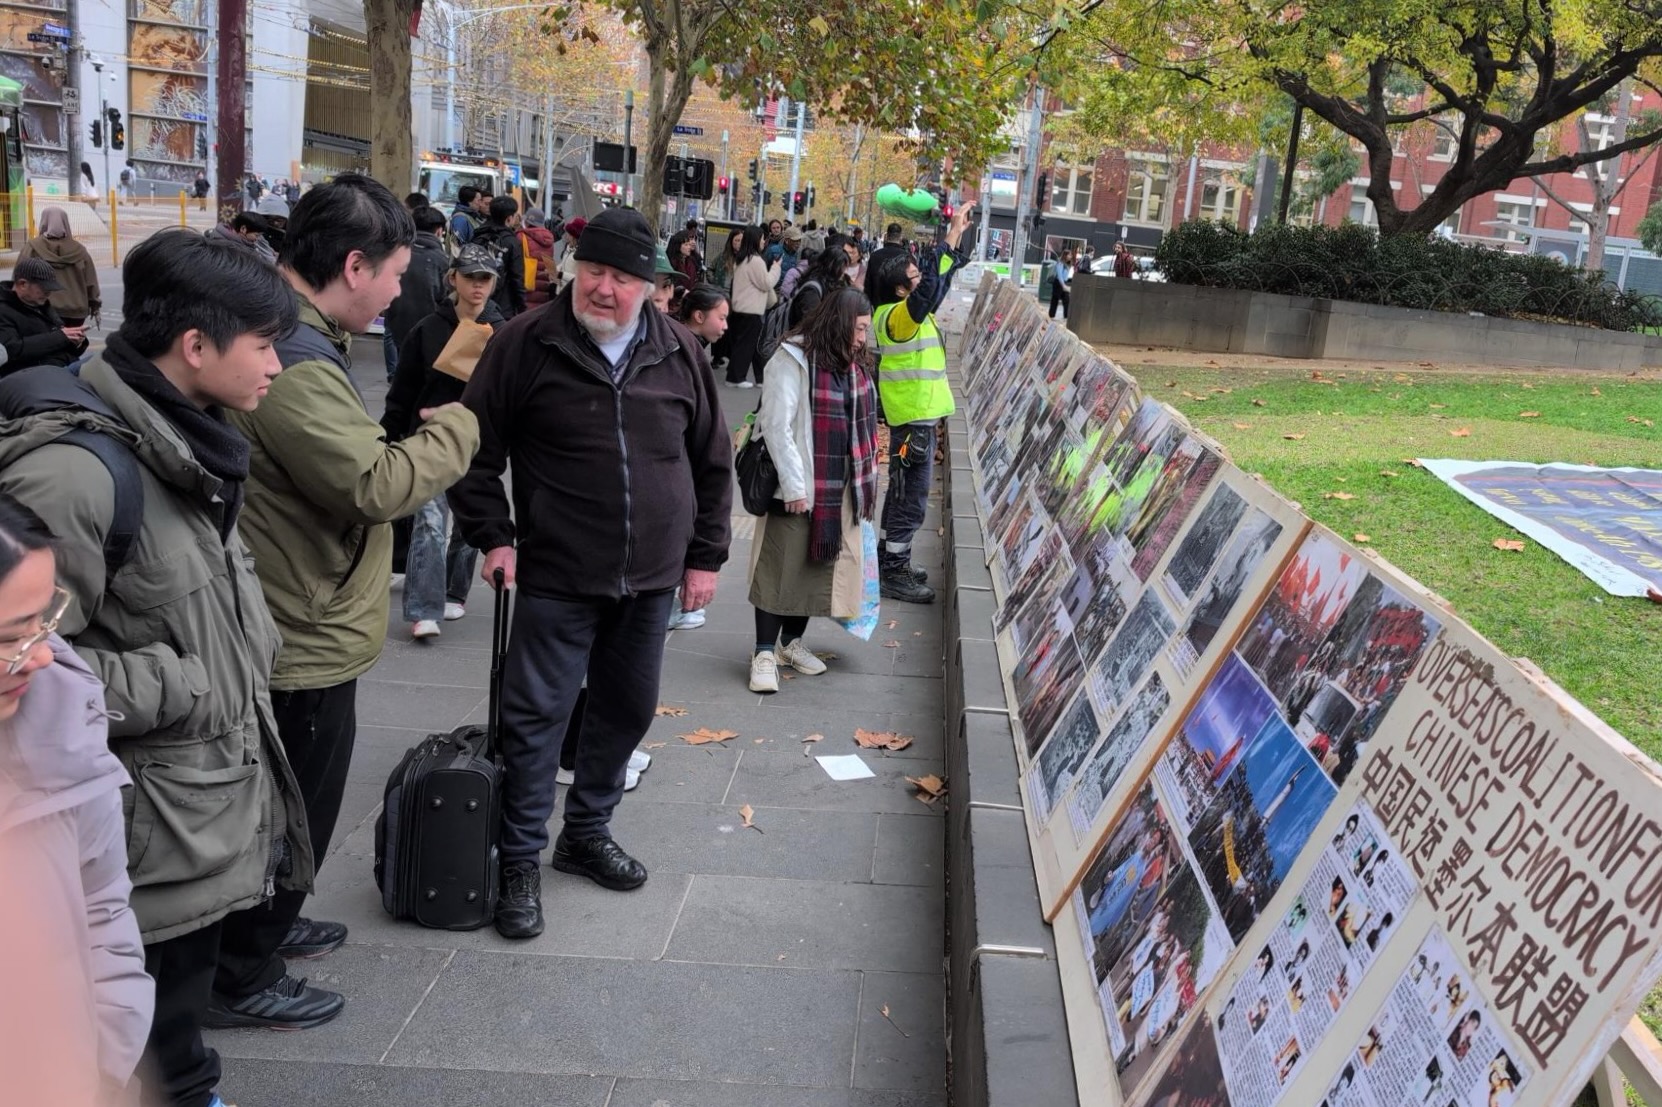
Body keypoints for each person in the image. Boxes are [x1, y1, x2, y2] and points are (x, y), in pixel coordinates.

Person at [0, 229, 313, 1107]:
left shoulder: (187, 439)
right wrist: (186, 682)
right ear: (196, 346)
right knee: (149, 1056)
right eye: (265, 345)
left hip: (193, 811)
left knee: (172, 1043)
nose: (276, 367)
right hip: (144, 833)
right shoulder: (80, 474)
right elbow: (27, 671)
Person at [214, 174, 480, 1029]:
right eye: (397, 273)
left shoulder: (297, 337)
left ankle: (265, 925)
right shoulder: (293, 357)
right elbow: (374, 483)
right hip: (300, 626)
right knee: (295, 806)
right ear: (355, 265)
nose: (403, 291)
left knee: (288, 806)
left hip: (303, 607)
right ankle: (240, 970)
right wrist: (460, 424)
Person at [449, 206, 733, 940]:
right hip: (556, 572)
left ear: (651, 287)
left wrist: (704, 555)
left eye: (623, 278)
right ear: (576, 269)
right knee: (535, 719)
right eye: (595, 271)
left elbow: (711, 460)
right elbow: (471, 450)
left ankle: (585, 832)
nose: (605, 288)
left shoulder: (678, 351)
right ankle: (519, 857)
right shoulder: (525, 342)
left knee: (626, 709)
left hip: (652, 578)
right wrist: (493, 537)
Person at [0, 495, 153, 1107]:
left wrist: (107, 1064)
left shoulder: (61, 725)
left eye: (45, 619)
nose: (41, 653)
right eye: (11, 635)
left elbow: (104, 911)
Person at [746, 287, 880, 693]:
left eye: (866, 330)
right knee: (779, 567)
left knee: (814, 569)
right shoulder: (791, 359)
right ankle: (763, 654)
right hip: (798, 486)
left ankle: (790, 644)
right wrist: (794, 486)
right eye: (858, 329)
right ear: (839, 324)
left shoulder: (851, 363)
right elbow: (777, 426)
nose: (862, 338)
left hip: (837, 487)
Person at [382, 244, 502, 639]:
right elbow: (404, 387)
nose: (478, 286)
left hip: (478, 441)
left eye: (485, 278)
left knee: (467, 525)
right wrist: (390, 432)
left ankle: (454, 591)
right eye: (470, 277)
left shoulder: (503, 333)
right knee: (430, 522)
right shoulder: (427, 329)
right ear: (453, 278)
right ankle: (423, 608)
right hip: (429, 439)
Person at [871, 201, 975, 604]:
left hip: (915, 421)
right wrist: (946, 242)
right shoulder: (897, 317)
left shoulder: (901, 312)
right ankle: (894, 571)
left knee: (901, 494)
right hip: (912, 424)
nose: (921, 281)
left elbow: (936, 286)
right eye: (914, 277)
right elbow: (930, 289)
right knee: (909, 501)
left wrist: (954, 237)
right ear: (901, 289)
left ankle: (889, 560)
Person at [666, 282, 732, 633]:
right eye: (721, 317)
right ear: (698, 316)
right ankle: (672, 608)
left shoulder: (692, 348)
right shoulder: (685, 349)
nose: (725, 326)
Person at [383, 205, 451, 383]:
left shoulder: (396, 252)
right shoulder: (440, 260)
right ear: (439, 231)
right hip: (429, 327)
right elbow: (445, 295)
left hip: (397, 321)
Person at [0, 256, 88, 372]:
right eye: (44, 288)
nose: (48, 293)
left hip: (60, 366)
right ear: (23, 284)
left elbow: (59, 341)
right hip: (35, 374)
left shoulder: (41, 304)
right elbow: (12, 349)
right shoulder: (4, 310)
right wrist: (60, 337)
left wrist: (76, 341)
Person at [19, 206, 100, 328]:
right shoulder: (80, 251)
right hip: (76, 311)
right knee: (72, 339)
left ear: (44, 222)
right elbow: (90, 282)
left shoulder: (32, 248)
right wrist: (95, 306)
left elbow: (20, 277)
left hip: (42, 309)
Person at [725, 224, 778, 388]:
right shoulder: (755, 261)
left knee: (751, 345)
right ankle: (735, 378)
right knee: (747, 345)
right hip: (751, 309)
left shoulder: (742, 259)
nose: (764, 242)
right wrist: (776, 269)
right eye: (762, 238)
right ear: (756, 239)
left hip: (741, 308)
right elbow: (766, 283)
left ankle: (760, 378)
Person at [469, 194, 527, 318]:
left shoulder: (478, 235)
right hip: (501, 308)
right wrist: (522, 308)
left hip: (473, 301)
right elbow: (517, 278)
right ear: (509, 219)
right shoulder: (512, 243)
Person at [785, 232, 855, 326]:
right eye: (843, 267)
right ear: (832, 266)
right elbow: (812, 323)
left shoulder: (830, 283)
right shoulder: (812, 290)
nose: (845, 271)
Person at [519, 207, 558, 307]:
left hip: (527, 287)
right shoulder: (549, 239)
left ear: (526, 221)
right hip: (545, 287)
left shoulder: (521, 237)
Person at [862, 222, 907, 306]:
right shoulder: (907, 258)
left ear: (887, 236)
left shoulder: (874, 256)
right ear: (900, 237)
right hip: (898, 306)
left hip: (877, 305)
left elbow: (868, 284)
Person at [206, 212, 277, 264]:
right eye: (256, 235)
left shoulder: (241, 243)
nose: (257, 239)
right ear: (243, 229)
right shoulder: (226, 246)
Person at [556, 216, 587, 292]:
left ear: (575, 236)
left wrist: (561, 275)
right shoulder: (568, 249)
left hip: (572, 293)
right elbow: (563, 264)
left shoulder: (582, 254)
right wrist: (554, 270)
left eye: (569, 234)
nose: (566, 236)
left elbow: (580, 278)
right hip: (563, 291)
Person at [1050, 248, 1074, 319]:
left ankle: (1066, 316)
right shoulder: (1060, 263)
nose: (1071, 256)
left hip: (1064, 282)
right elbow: (1059, 275)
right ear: (1065, 255)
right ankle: (1051, 315)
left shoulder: (1068, 264)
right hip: (1058, 283)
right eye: (1069, 255)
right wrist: (1063, 285)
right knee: (1055, 299)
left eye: (1071, 255)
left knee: (1066, 299)